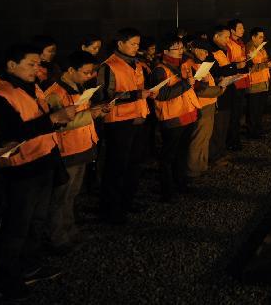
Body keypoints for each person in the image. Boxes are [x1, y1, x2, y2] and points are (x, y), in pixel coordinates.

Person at [0, 43, 76, 299]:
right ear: (11, 65)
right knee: (16, 226)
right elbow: (12, 133)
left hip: (43, 161)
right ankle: (8, 280)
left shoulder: (30, 86)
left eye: (38, 64)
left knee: (36, 221)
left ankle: (30, 266)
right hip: (19, 171)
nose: (38, 68)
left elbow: (37, 118)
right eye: (31, 64)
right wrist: (53, 119)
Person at [43, 51, 106, 253]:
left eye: (91, 73)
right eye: (86, 72)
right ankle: (58, 237)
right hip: (67, 150)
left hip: (83, 146)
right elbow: (58, 123)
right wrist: (91, 115)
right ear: (70, 70)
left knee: (72, 194)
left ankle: (70, 230)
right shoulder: (55, 93)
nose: (90, 77)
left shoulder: (78, 87)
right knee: (61, 196)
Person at [96, 28, 153, 224]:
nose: (137, 47)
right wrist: (136, 95)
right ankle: (110, 209)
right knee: (116, 166)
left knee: (134, 164)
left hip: (138, 118)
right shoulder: (109, 66)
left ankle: (127, 202)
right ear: (120, 44)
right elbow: (104, 98)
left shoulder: (136, 64)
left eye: (138, 44)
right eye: (133, 44)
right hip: (119, 123)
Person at [150, 37, 200, 202]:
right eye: (176, 48)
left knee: (182, 152)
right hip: (172, 118)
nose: (180, 51)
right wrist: (186, 84)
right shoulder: (160, 70)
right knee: (168, 156)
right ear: (165, 51)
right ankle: (168, 191)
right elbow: (161, 94)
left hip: (188, 114)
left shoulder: (183, 65)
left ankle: (181, 184)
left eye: (181, 47)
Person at [183, 38, 225, 178]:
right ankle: (193, 170)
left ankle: (202, 166)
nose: (205, 54)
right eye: (203, 50)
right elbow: (199, 90)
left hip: (209, 104)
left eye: (207, 51)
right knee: (198, 138)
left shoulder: (199, 64)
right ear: (194, 49)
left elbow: (205, 85)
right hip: (201, 105)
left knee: (204, 137)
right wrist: (219, 89)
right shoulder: (190, 64)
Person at [208, 24, 247, 163]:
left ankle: (220, 151)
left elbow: (226, 69)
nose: (227, 40)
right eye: (225, 37)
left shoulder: (223, 50)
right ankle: (214, 155)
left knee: (225, 123)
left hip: (227, 90)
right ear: (216, 36)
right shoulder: (211, 52)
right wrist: (234, 67)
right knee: (218, 126)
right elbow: (216, 72)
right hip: (219, 93)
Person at [245, 27, 271, 138]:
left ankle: (258, 130)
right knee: (253, 110)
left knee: (259, 110)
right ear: (253, 37)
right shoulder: (249, 48)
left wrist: (270, 64)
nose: (262, 39)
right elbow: (250, 67)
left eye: (263, 36)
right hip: (254, 84)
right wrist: (265, 65)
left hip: (263, 82)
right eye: (260, 37)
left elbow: (264, 63)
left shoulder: (262, 48)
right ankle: (252, 132)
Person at [225, 19, 250, 151]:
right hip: (234, 82)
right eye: (240, 28)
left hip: (242, 80)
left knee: (238, 113)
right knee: (234, 114)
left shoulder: (240, 43)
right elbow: (227, 64)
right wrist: (238, 65)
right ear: (232, 30)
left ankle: (236, 139)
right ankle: (232, 141)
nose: (243, 30)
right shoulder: (228, 44)